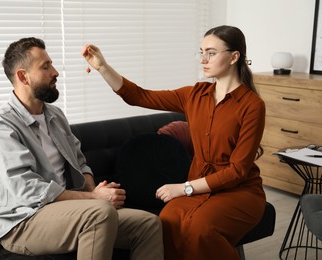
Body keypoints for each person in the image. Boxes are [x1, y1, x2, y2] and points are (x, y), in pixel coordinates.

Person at [82, 25, 266, 260]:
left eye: (211, 53)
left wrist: (184, 188)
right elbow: (139, 96)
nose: (203, 59)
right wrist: (102, 67)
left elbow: (238, 171)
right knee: (166, 221)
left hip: (240, 192)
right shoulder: (194, 95)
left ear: (234, 57)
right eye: (201, 52)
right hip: (201, 189)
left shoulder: (252, 106)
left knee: (200, 229)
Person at [0, 37, 164, 260]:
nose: (55, 72)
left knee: (148, 224)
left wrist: (93, 190)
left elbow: (80, 162)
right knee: (100, 213)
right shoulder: (1, 125)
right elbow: (28, 191)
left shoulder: (55, 116)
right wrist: (95, 199)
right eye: (45, 67)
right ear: (22, 76)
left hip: (64, 212)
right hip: (21, 222)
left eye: (52, 64)